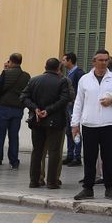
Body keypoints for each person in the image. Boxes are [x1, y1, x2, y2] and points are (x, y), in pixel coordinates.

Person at [70, 49, 112, 201]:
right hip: (89, 124)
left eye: (106, 60)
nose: (103, 63)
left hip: (109, 124)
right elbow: (78, 102)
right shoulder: (84, 79)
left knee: (108, 157)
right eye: (100, 60)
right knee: (89, 157)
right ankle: (88, 188)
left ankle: (109, 187)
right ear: (94, 61)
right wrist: (74, 124)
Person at [24, 57, 72, 189]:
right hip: (56, 121)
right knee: (54, 152)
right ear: (58, 69)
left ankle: (34, 181)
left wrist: (36, 109)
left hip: (37, 120)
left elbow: (24, 97)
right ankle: (52, 181)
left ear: (45, 67)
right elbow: (65, 99)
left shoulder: (34, 80)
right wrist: (48, 110)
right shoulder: (62, 81)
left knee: (37, 151)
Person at [0, 53, 30, 171]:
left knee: (0, 136)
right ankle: (14, 162)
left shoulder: (5, 73)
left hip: (3, 108)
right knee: (14, 136)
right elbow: (27, 92)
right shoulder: (26, 76)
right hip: (17, 109)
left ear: (11, 61)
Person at [62, 53, 84, 165]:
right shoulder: (70, 73)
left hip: (74, 107)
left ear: (70, 61)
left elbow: (82, 90)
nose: (62, 62)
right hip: (68, 106)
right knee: (68, 132)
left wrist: (75, 101)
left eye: (64, 60)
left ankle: (77, 156)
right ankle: (70, 155)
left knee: (75, 131)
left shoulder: (79, 73)